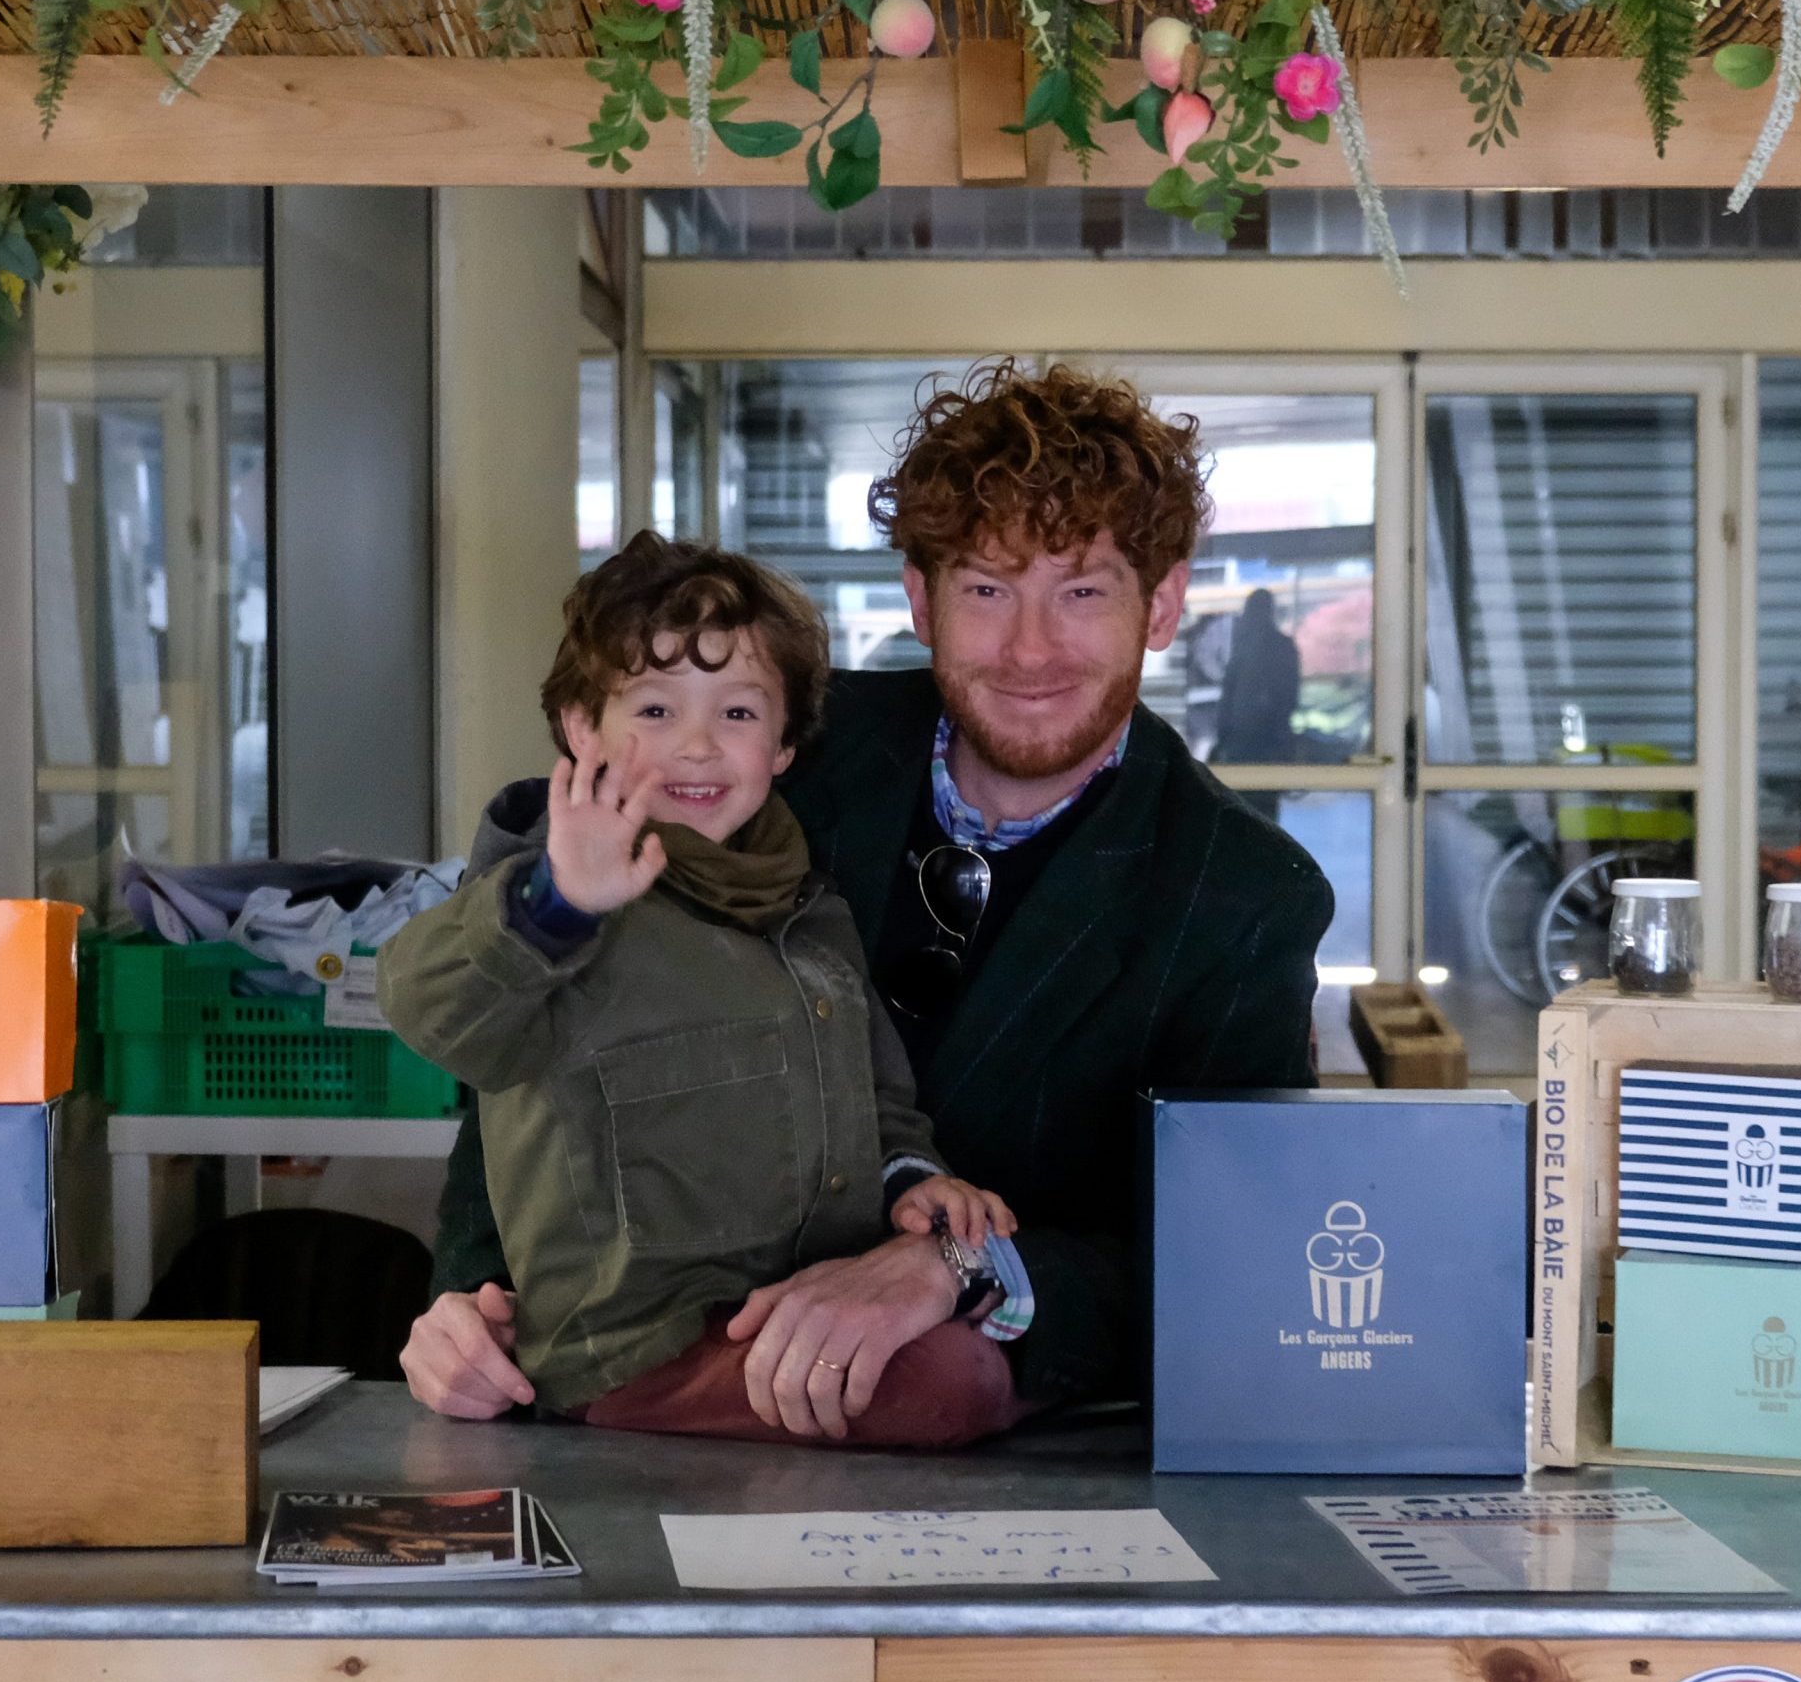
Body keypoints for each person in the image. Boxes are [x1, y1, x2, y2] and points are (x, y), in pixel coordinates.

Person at [402, 359, 1335, 1438]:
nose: (1030, 649)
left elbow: (1231, 1251)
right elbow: (545, 1025)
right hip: (632, 1387)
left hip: (977, 1471)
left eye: (1081, 591)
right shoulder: (762, 744)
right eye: (986, 590)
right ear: (919, 600)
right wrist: (468, 1293)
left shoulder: (1243, 896)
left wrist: (963, 1271)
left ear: (1162, 604)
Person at [377, 536, 1027, 1445]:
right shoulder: (557, 898)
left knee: (958, 1357)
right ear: (579, 727)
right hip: (637, 1347)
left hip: (798, 1310)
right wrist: (557, 902)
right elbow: (426, 1005)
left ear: (786, 745)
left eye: (736, 712)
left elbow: (878, 1104)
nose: (696, 745)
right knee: (955, 1380)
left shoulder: (810, 907)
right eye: (652, 707)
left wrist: (914, 1185)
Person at [1214, 586, 1302, 765]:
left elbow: (1229, 694)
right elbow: (1290, 695)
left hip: (1255, 739)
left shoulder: (1247, 647)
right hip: (1258, 739)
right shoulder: (1277, 646)